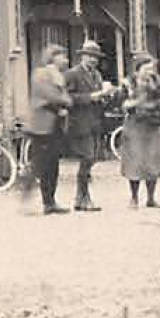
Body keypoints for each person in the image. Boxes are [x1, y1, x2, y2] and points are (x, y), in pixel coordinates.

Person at [65, 40, 116, 212]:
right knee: (87, 158)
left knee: (91, 159)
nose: (93, 60)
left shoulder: (97, 75)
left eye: (96, 57)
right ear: (82, 56)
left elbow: (100, 97)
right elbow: (68, 98)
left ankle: (80, 198)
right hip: (80, 122)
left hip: (95, 122)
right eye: (90, 56)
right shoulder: (72, 74)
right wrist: (92, 97)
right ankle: (84, 198)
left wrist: (107, 96)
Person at [121, 52, 160, 209]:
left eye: (151, 68)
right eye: (146, 68)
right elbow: (121, 104)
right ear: (137, 69)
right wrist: (136, 101)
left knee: (153, 161)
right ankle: (134, 197)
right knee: (135, 162)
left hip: (153, 126)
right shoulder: (128, 84)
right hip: (135, 125)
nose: (149, 71)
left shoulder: (158, 82)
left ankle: (151, 198)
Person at [24, 44, 72, 214]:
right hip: (41, 126)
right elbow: (54, 97)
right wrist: (63, 100)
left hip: (54, 125)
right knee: (40, 164)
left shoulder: (57, 76)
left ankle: (50, 202)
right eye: (62, 56)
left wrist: (63, 100)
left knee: (52, 165)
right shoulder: (42, 74)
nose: (65, 60)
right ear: (53, 58)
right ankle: (27, 198)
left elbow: (64, 98)